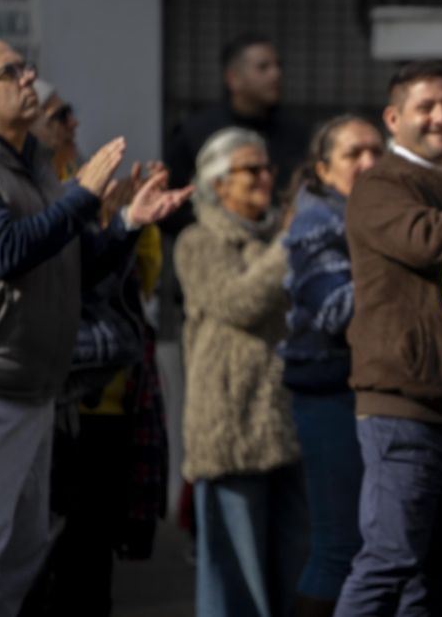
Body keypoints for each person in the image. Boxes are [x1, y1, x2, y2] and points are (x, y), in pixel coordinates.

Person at [0, 37, 189, 616]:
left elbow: (76, 268)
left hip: (38, 389)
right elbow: (3, 252)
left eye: (26, 68)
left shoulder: (33, 164)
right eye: (10, 72)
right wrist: (81, 196)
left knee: (25, 551)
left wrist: (128, 222)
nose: (28, 78)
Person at [335, 62, 442, 617]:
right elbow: (427, 241)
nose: (441, 117)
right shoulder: (377, 185)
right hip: (403, 414)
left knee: (440, 578)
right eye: (426, 106)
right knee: (388, 563)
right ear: (393, 118)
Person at [175, 128, 307, 617]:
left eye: (268, 167)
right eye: (252, 169)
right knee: (236, 580)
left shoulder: (276, 238)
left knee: (289, 572)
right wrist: (289, 242)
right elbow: (240, 301)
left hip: (286, 425)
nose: (266, 177)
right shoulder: (197, 241)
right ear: (217, 182)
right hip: (228, 430)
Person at [278, 115, 383, 617]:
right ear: (322, 169)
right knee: (338, 547)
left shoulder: (370, 213)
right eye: (353, 154)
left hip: (362, 394)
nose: (369, 162)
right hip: (329, 398)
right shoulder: (316, 220)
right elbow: (336, 310)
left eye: (376, 151)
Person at [163, 34, 308, 232]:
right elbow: (172, 204)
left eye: (278, 66)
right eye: (263, 67)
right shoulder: (196, 131)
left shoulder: (294, 132)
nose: (276, 74)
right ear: (233, 78)